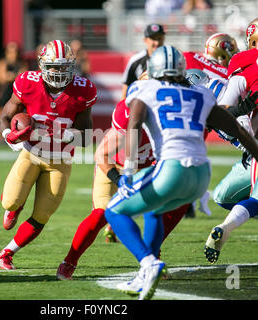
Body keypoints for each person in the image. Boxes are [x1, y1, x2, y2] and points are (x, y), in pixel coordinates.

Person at [103, 45, 258, 300]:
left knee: (114, 210)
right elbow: (237, 130)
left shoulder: (144, 88)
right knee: (156, 209)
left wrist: (128, 171)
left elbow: (134, 124)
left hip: (171, 169)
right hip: (200, 177)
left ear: (152, 69)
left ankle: (147, 263)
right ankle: (146, 273)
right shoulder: (201, 93)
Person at [56, 97, 189, 283]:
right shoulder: (128, 118)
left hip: (145, 170)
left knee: (163, 209)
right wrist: (119, 181)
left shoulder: (172, 121)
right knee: (101, 213)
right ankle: (69, 261)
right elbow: (101, 155)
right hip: (114, 168)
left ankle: (153, 258)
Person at [0, 40, 97, 270]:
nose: (59, 71)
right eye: (53, 66)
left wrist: (70, 136)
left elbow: (87, 134)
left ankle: (7, 253)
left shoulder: (83, 90)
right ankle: (15, 207)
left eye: (64, 66)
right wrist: (8, 135)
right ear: (42, 65)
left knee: (42, 215)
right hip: (31, 153)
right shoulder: (27, 82)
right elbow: (6, 115)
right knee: (10, 200)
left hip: (60, 160)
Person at [204, 18, 258, 263]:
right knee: (226, 197)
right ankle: (227, 226)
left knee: (231, 197)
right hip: (254, 149)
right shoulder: (241, 66)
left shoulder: (242, 67)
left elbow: (222, 112)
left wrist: (245, 107)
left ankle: (226, 226)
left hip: (254, 148)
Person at [182, 33, 239, 218]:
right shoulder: (228, 74)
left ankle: (184, 200)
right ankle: (187, 200)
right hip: (206, 119)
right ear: (223, 51)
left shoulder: (190, 56)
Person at [0, 42, 28, 143]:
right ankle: (0, 138)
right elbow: (1, 78)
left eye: (16, 52)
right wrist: (13, 76)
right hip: (5, 91)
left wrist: (10, 76)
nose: (14, 54)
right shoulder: (2, 63)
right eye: (11, 52)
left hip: (16, 91)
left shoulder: (22, 63)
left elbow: (23, 76)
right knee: (1, 114)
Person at [121, 23, 165, 100]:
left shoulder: (171, 59)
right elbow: (125, 91)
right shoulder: (136, 60)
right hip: (142, 105)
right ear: (145, 40)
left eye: (159, 38)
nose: (157, 43)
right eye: (153, 39)